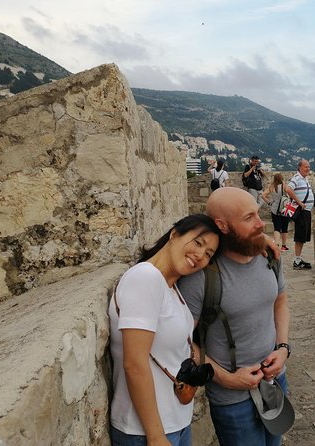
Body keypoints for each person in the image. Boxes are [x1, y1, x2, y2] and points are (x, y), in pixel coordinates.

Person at [178, 188, 290, 446]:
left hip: (275, 382)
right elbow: (181, 341)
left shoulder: (269, 258)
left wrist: (282, 348)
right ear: (223, 225)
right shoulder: (201, 277)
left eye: (258, 214)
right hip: (233, 400)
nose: (261, 223)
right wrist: (227, 379)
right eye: (249, 217)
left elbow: (280, 303)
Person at [109, 214, 220, 446]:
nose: (200, 255)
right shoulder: (145, 278)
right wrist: (156, 436)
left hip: (174, 424)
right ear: (174, 234)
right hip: (145, 431)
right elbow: (134, 363)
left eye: (208, 254)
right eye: (198, 243)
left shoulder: (170, 287)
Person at [285, 159, 314, 270]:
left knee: (303, 237)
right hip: (301, 211)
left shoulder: (304, 179)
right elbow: (288, 189)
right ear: (300, 168)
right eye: (306, 166)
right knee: (300, 236)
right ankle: (297, 261)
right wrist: (299, 202)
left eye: (309, 166)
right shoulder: (296, 178)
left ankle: (298, 259)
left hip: (306, 212)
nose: (308, 168)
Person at [262, 173, 290, 252]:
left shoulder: (271, 187)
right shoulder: (284, 186)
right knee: (285, 228)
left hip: (274, 209)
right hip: (284, 209)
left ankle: (276, 244)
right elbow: (290, 195)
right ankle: (283, 246)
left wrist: (269, 203)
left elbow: (263, 195)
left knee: (277, 228)